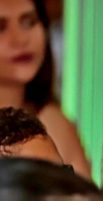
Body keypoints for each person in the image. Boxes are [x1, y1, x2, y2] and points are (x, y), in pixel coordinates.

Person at [0, 0, 90, 175]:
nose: (20, 39)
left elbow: (84, 200)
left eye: (29, 22)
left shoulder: (55, 124)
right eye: (1, 27)